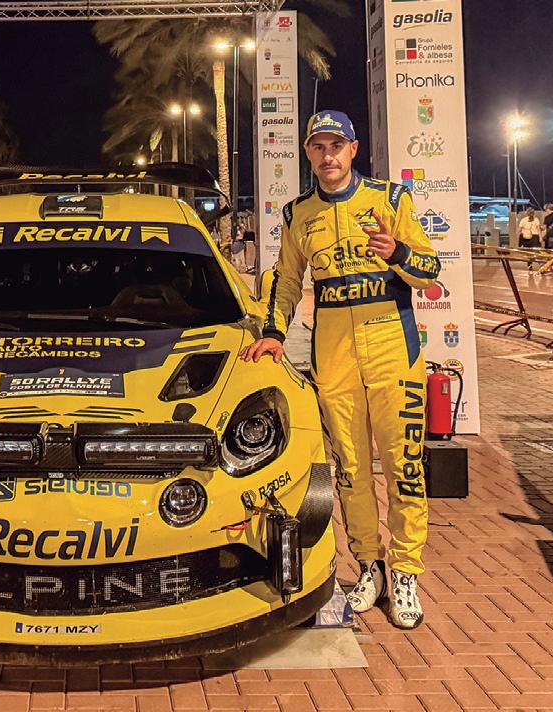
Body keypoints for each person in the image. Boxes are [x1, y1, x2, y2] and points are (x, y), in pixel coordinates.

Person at [238, 110, 440, 630]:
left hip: (393, 345)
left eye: (336, 146)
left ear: (353, 149)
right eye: (318, 147)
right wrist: (273, 333)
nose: (328, 156)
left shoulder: (390, 199)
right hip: (333, 351)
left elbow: (430, 269)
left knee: (404, 465)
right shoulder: (296, 214)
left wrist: (398, 252)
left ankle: (406, 571)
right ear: (308, 154)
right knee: (350, 468)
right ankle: (370, 565)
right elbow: (286, 282)